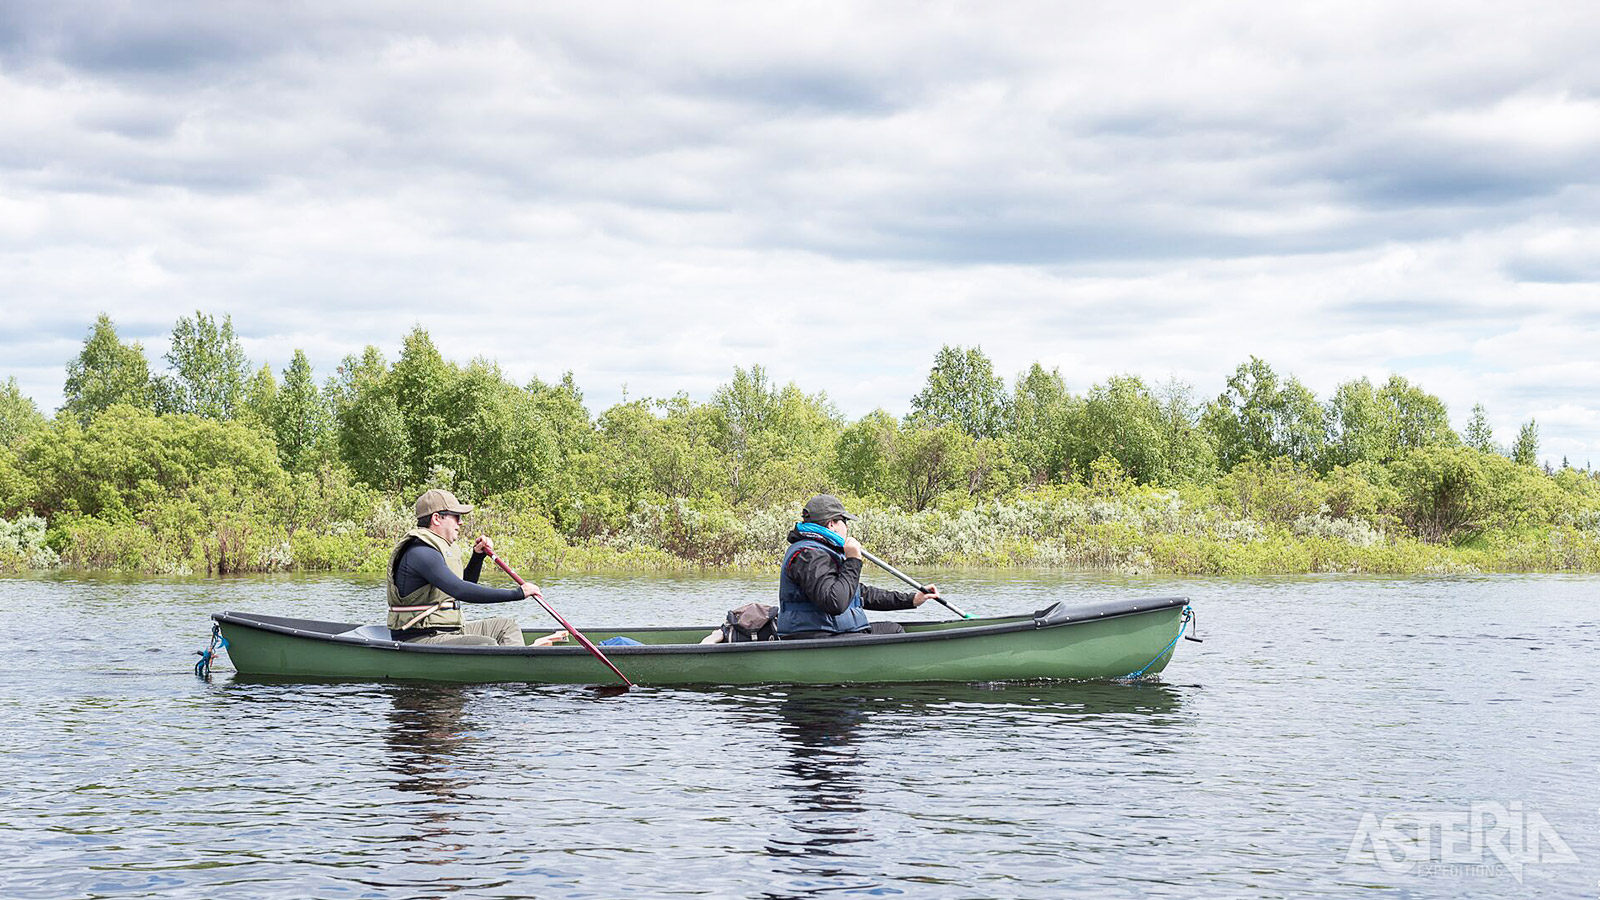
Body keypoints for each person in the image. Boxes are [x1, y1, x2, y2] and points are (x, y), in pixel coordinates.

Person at [775, 494, 941, 640]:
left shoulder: (821, 551)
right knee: (894, 631)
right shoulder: (808, 555)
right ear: (831, 524)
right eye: (844, 521)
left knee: (891, 628)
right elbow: (835, 602)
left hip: (831, 632)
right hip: (816, 635)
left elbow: (858, 593)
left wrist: (911, 599)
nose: (847, 527)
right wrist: (853, 560)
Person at [386, 488, 539, 645]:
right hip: (421, 638)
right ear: (437, 518)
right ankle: (509, 665)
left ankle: (515, 665)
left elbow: (462, 586)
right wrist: (517, 593)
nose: (461, 522)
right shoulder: (420, 553)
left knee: (507, 627)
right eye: (456, 517)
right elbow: (460, 590)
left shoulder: (437, 549)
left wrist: (477, 557)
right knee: (485, 644)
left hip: (448, 632)